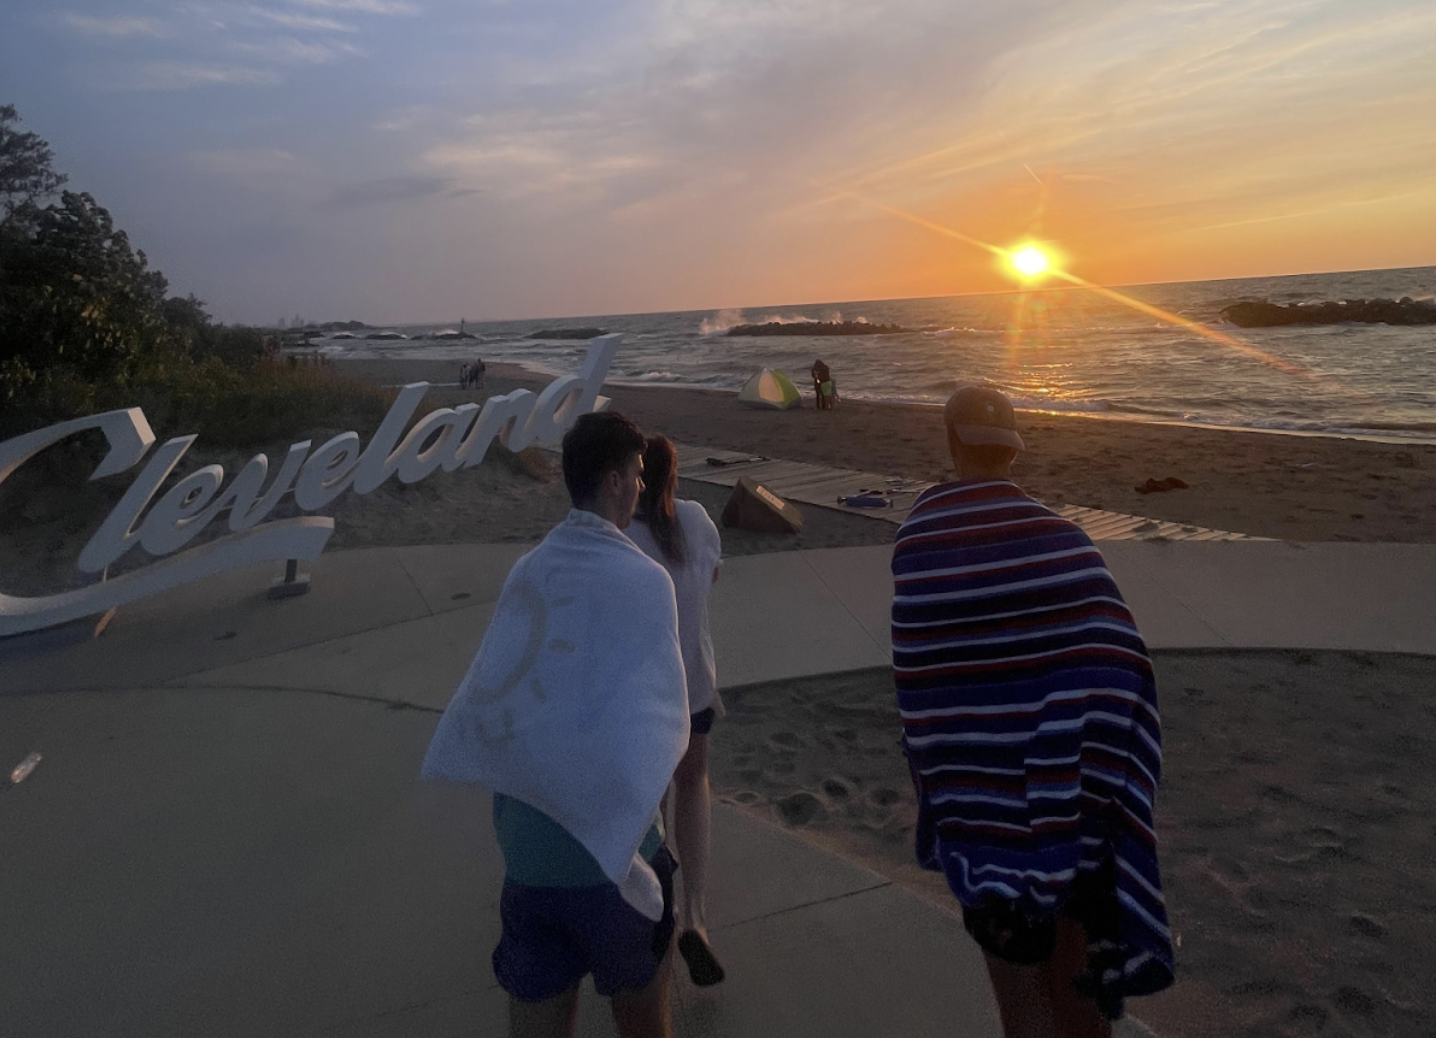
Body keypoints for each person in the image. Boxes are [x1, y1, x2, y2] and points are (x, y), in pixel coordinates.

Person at [890, 386, 1174, 1038]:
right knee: (1078, 986)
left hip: (980, 812)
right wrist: (1073, 749)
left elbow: (923, 688)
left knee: (1020, 1001)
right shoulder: (1065, 541)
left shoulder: (919, 544)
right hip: (1072, 810)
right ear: (1013, 452)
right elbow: (1123, 665)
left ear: (952, 443)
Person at [422, 411, 690, 1038]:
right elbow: (661, 724)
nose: (642, 486)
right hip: (615, 864)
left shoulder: (529, 570)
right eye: (637, 474)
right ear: (614, 481)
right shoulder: (645, 581)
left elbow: (497, 694)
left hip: (529, 860)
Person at [625, 435, 727, 988]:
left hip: (644, 697)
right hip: (695, 688)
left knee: (654, 803)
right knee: (694, 785)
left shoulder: (624, 536)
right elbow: (712, 576)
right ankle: (697, 917)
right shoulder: (696, 520)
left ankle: (656, 907)